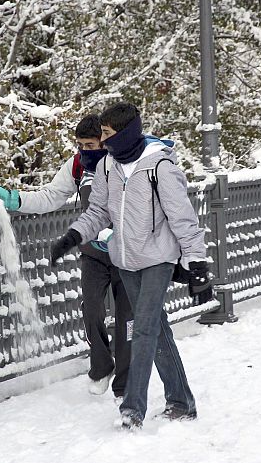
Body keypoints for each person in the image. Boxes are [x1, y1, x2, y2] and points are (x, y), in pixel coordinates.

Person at [50, 102, 210, 430]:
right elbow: (99, 211)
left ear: (125, 133)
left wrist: (197, 264)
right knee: (158, 328)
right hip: (125, 259)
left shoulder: (159, 166)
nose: (104, 142)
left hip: (157, 259)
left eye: (108, 135)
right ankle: (182, 403)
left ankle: (132, 409)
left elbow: (183, 218)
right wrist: (72, 236)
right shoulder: (109, 165)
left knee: (144, 329)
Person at [0, 116, 132, 400]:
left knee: (126, 319)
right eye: (81, 144)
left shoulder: (123, 163)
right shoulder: (77, 166)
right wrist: (13, 199)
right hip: (94, 253)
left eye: (91, 144)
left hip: (127, 254)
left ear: (105, 141)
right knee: (91, 309)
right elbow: (50, 196)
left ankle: (125, 386)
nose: (86, 150)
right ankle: (101, 366)